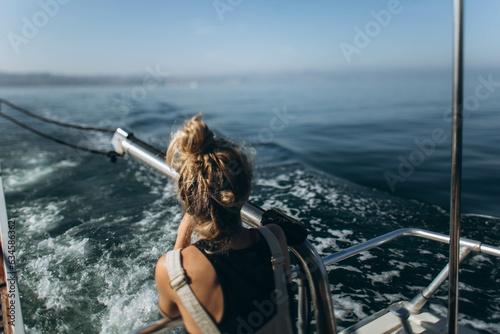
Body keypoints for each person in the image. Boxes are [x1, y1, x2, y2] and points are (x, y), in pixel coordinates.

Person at [155, 114, 294, 334]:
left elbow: (171, 314)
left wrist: (183, 232)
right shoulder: (275, 238)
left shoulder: (168, 269)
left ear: (187, 199)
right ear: (246, 194)